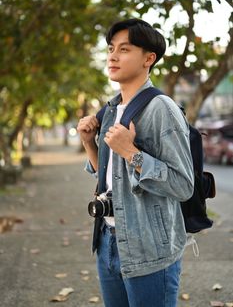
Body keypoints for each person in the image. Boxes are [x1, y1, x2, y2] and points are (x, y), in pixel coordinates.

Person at [77, 18, 194, 307]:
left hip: (150, 246)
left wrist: (131, 152)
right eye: (111, 48)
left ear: (148, 58)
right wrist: (88, 142)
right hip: (107, 240)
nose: (113, 56)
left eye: (125, 49)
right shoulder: (110, 109)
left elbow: (183, 185)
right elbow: (104, 178)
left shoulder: (161, 109)